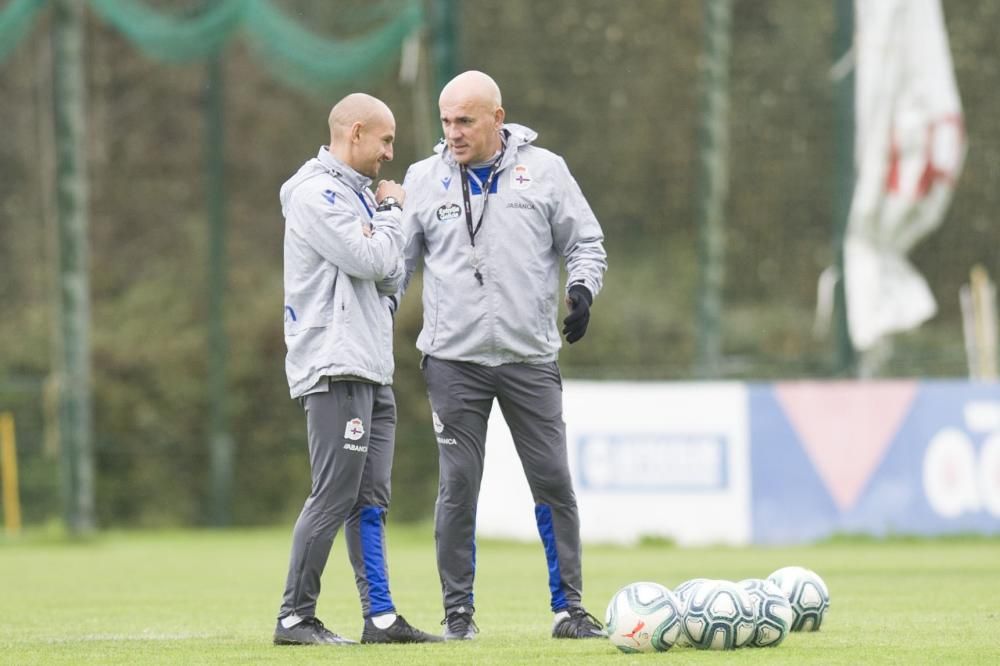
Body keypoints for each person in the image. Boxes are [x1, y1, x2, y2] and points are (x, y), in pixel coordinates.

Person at [399, 71, 608, 640]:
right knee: (459, 484)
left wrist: (582, 288)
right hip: (452, 361)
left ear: (497, 117)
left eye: (465, 121)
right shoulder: (424, 178)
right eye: (446, 121)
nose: (453, 133)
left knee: (554, 482)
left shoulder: (545, 171)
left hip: (528, 359)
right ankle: (458, 615)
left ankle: (570, 610)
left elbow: (585, 241)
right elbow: (395, 266)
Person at [273, 93, 441, 646]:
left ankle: (382, 618)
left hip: (372, 365)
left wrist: (381, 229)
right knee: (334, 494)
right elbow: (373, 260)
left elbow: (393, 277)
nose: (390, 153)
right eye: (386, 141)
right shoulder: (315, 195)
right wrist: (391, 214)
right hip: (336, 364)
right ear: (357, 133)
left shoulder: (358, 198)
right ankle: (295, 618)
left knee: (370, 499)